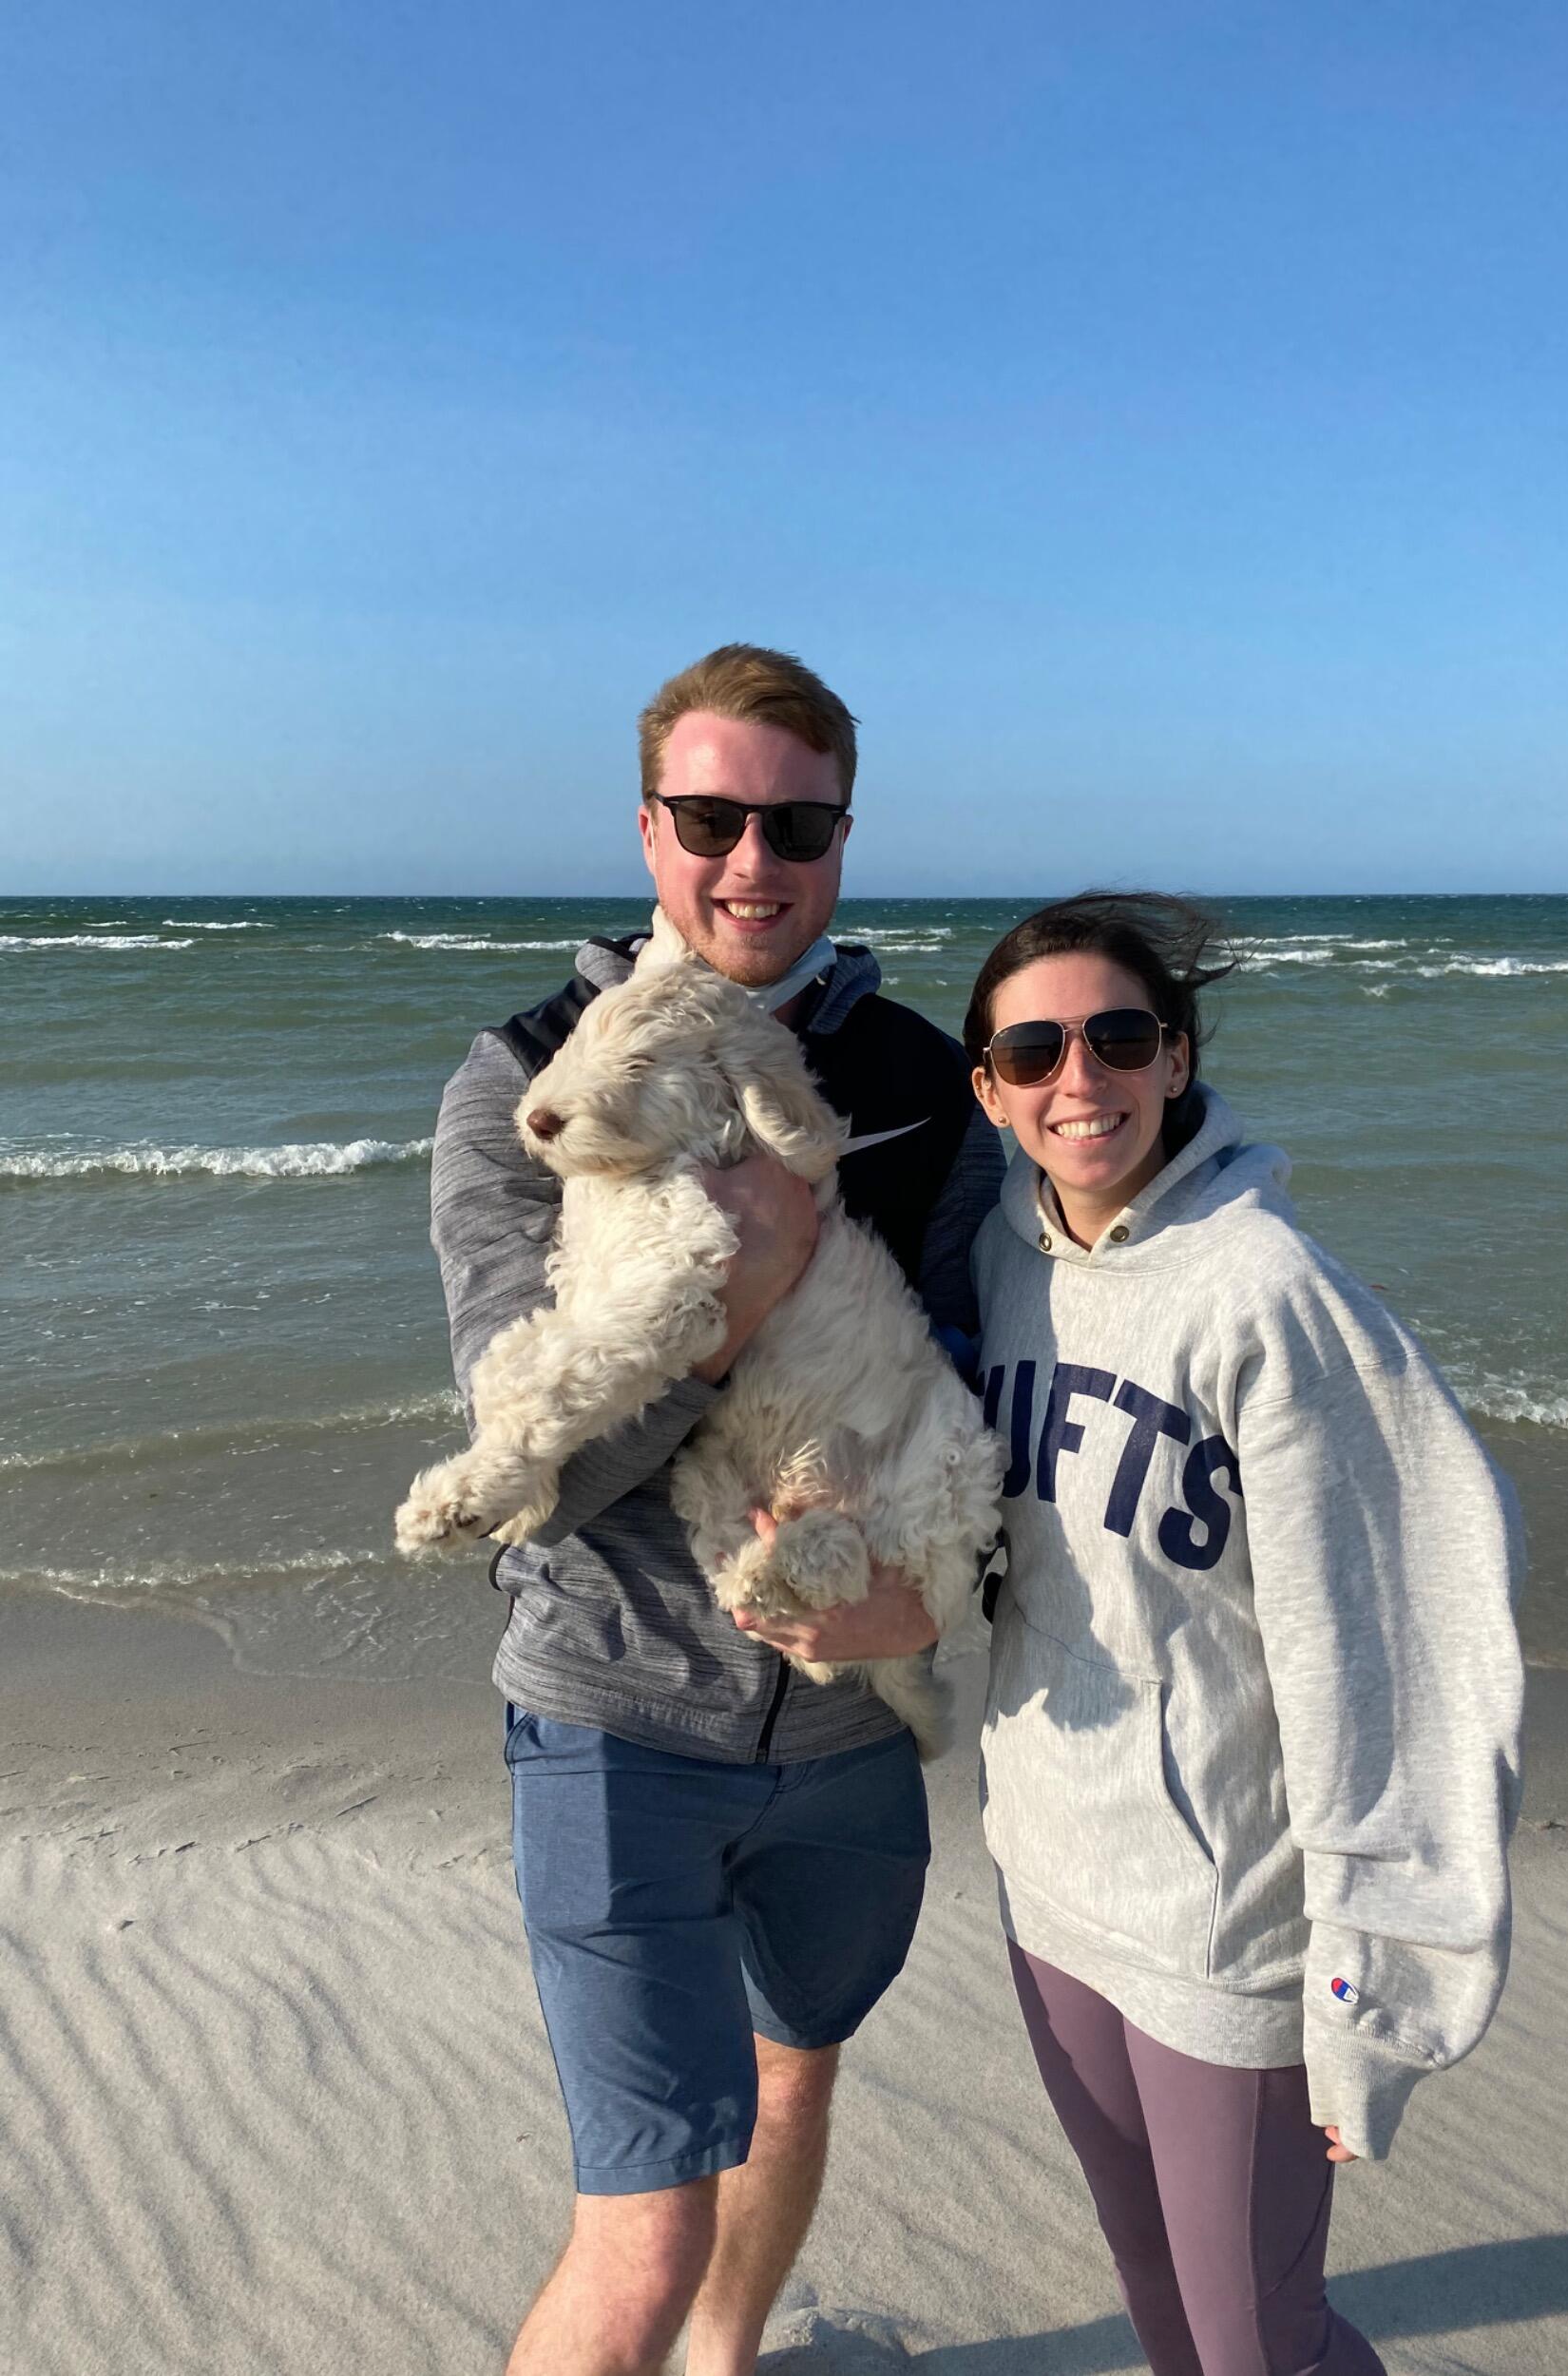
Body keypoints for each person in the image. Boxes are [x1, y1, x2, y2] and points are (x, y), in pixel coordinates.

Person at [427, 644, 1004, 2376]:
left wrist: (930, 1602)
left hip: (846, 1734)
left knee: (795, 2066)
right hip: (618, 1716)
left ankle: (729, 2363)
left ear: (843, 840)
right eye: (711, 818)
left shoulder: (926, 1083)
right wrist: (736, 1301)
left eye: (797, 824)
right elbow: (533, 1480)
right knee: (652, 2209)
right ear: (649, 828)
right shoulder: (526, 1084)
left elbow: (976, 1396)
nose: (753, 862)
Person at [958, 891, 1525, 2376]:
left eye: (1117, 1038)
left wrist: (1372, 1975)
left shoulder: (1267, 1294)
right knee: (1154, 2292)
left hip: (1228, 1924)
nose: (1078, 1079)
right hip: (1047, 1878)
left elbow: (1398, 1645)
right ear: (990, 1091)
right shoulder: (1000, 1266)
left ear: (1176, 1056)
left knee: (1255, 2337)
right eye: (1033, 1053)